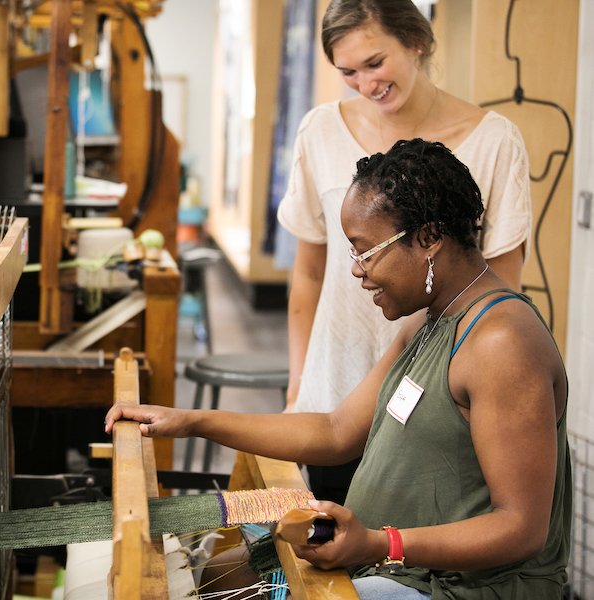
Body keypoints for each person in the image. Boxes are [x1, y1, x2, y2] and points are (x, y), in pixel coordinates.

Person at [106, 140, 569, 600]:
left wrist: (380, 542)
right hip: (391, 564)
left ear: (428, 238)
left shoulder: (500, 344)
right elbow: (335, 430)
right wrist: (191, 421)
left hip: (456, 588)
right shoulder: (428, 323)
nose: (356, 270)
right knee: (209, 574)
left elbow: (521, 527)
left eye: (365, 251)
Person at [278, 0, 533, 504]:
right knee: (330, 560)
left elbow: (501, 290)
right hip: (337, 382)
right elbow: (308, 272)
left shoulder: (493, 141)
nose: (365, 84)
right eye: (347, 71)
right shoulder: (321, 131)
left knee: (408, 565)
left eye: (375, 63)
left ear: (416, 41)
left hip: (437, 395)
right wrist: (297, 385)